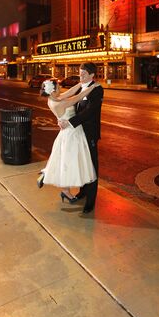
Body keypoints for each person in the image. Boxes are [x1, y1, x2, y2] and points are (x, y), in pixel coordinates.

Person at [37, 78, 100, 204]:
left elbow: (70, 92)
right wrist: (93, 87)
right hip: (72, 134)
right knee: (71, 162)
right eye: (59, 87)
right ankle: (61, 186)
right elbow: (78, 97)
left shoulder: (53, 99)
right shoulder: (59, 103)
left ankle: (62, 188)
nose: (61, 89)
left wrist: (81, 83)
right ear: (52, 91)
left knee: (65, 161)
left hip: (67, 133)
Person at [58, 62, 104, 214]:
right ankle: (83, 192)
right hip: (78, 134)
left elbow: (90, 111)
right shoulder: (80, 87)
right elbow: (71, 106)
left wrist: (70, 122)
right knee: (81, 164)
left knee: (91, 166)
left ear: (92, 75)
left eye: (84, 74)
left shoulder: (97, 89)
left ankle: (90, 201)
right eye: (80, 73)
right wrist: (63, 117)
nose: (81, 76)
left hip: (89, 134)